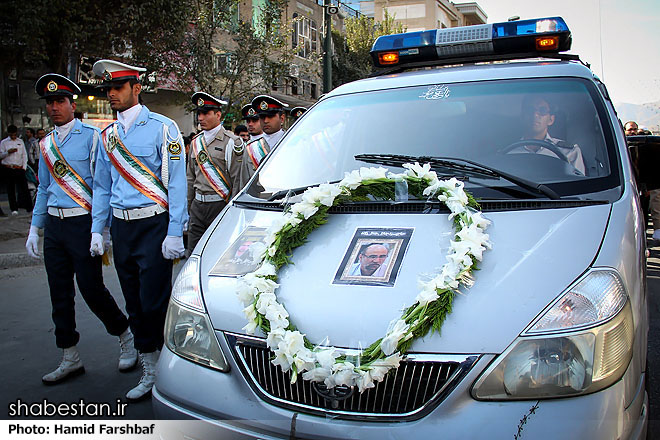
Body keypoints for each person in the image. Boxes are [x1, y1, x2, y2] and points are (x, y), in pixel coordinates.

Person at [26, 73, 136, 385]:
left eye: (60, 101)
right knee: (58, 293)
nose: (54, 108)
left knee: (91, 288)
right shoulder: (46, 145)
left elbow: (102, 185)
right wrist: (35, 228)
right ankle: (69, 356)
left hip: (82, 223)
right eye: (50, 103)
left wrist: (100, 229)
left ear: (72, 104)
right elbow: (44, 190)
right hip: (55, 225)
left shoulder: (92, 137)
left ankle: (124, 334)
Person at [90, 59, 188, 401]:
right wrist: (98, 229)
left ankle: (166, 363)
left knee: (154, 300)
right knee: (133, 300)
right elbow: (101, 187)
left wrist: (175, 229)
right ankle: (149, 365)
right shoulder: (107, 136)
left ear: (136, 88)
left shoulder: (164, 128)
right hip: (122, 226)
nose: (112, 95)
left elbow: (176, 183)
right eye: (108, 90)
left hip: (154, 225)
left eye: (117, 88)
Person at [187, 91, 248, 254]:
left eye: (206, 113)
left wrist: (232, 212)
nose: (201, 118)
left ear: (218, 114)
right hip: (198, 207)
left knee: (219, 253)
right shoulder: (195, 142)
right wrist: (189, 207)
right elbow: (190, 178)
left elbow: (238, 180)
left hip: (220, 205)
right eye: (199, 113)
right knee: (193, 254)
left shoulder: (232, 142)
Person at [508, 96, 586, 175]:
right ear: (522, 117)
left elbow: (580, 185)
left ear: (551, 120)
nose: (535, 115)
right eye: (529, 110)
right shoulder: (508, 154)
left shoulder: (569, 152)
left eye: (542, 110)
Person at [244, 95, 288, 172]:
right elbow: (244, 180)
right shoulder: (251, 147)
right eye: (262, 117)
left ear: (282, 118)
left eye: (270, 116)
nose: (265, 121)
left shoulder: (291, 142)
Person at [0, 124, 32, 214]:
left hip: (19, 168)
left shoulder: (20, 141)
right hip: (8, 167)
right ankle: (14, 208)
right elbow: (1, 155)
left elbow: (24, 155)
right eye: (11, 134)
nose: (13, 136)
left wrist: (24, 167)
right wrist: (7, 152)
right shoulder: (4, 142)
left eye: (14, 134)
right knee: (11, 189)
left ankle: (29, 207)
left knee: (24, 188)